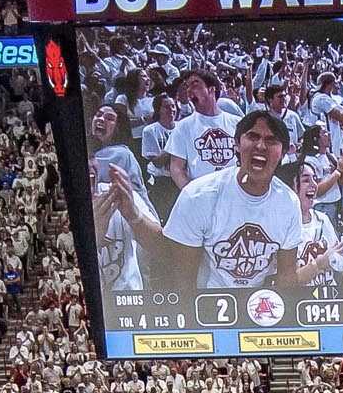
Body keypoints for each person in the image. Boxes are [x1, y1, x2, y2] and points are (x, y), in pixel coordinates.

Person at [101, 111, 305, 295]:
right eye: (252, 136)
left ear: (284, 152)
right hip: (208, 304)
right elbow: (183, 275)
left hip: (258, 306)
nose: (260, 146)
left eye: (271, 140)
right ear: (236, 143)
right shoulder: (200, 195)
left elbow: (286, 276)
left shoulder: (288, 202)